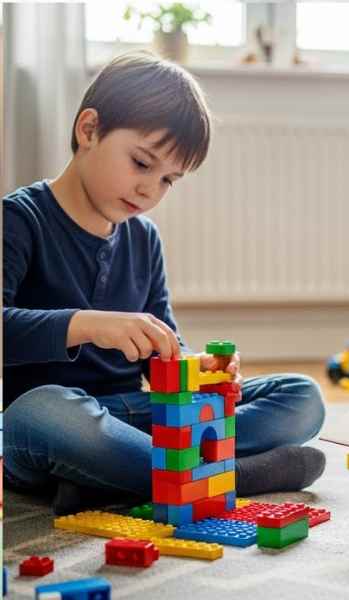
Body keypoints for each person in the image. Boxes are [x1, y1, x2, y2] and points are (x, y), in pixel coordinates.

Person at [3, 52, 326, 515]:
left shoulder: (144, 238)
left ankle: (114, 478)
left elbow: (162, 356)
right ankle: (231, 475)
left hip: (135, 417)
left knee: (302, 396)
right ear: (89, 129)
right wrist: (87, 325)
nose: (149, 190)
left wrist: (199, 368)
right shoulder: (18, 220)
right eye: (141, 163)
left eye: (168, 180)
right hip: (54, 420)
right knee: (42, 412)